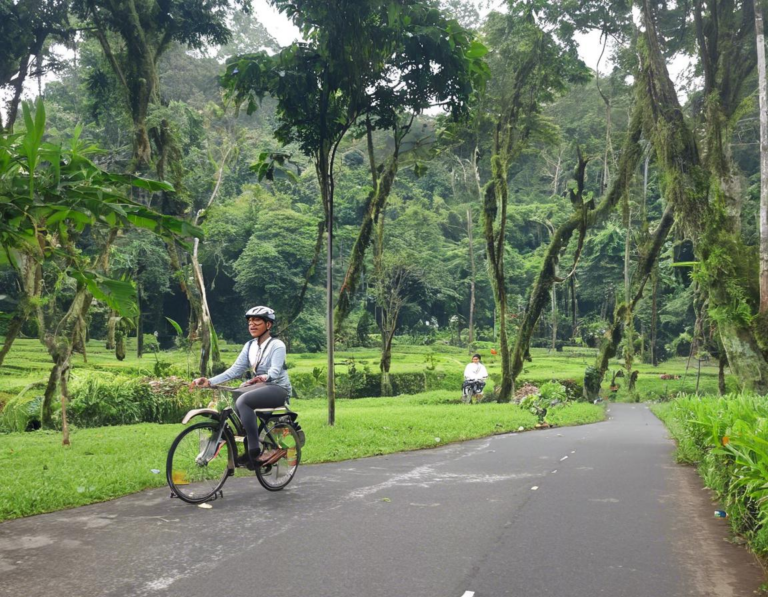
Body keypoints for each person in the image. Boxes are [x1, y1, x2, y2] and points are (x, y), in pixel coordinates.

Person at [190, 306, 292, 468]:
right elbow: (234, 370)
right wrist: (210, 381)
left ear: (268, 325)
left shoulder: (277, 345)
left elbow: (275, 370)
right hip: (260, 387)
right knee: (236, 394)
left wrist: (263, 377)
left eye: (257, 321)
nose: (252, 324)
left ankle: (254, 451)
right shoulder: (249, 346)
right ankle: (251, 442)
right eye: (250, 321)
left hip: (277, 388)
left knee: (244, 400)